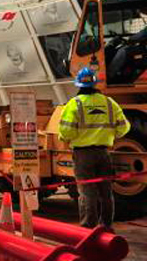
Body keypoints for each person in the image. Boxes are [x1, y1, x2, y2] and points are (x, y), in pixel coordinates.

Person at [58, 68, 130, 230]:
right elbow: (124, 128)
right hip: (104, 153)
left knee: (87, 191)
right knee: (106, 191)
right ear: (95, 83)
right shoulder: (109, 102)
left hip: (83, 154)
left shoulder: (74, 104)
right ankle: (106, 225)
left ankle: (88, 228)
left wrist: (68, 138)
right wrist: (110, 135)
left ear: (78, 84)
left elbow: (66, 131)